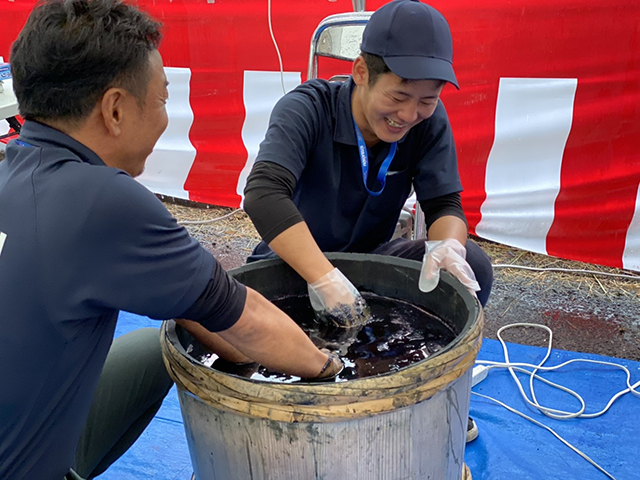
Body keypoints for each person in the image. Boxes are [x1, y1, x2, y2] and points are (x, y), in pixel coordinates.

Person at [0, 1, 341, 479]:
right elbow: (250, 319)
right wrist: (332, 369)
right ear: (115, 109)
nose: (165, 119)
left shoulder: (10, 172)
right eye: (162, 100)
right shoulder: (103, 202)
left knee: (147, 349)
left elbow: (193, 301)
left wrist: (238, 346)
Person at [243, 0, 493, 442]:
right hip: (297, 265)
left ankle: (430, 394)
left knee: (473, 265)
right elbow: (263, 193)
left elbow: (445, 203)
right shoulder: (307, 109)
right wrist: (322, 277)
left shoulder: (427, 124)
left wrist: (446, 247)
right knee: (248, 333)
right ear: (361, 71)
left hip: (371, 255)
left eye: (426, 101)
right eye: (398, 96)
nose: (409, 115)